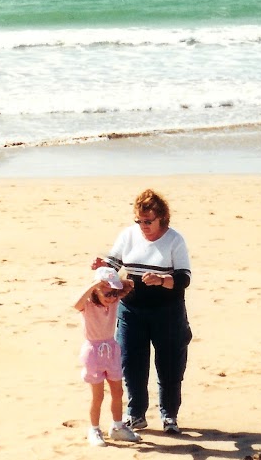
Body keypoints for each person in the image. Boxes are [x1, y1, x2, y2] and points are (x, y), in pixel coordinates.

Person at [92, 188, 192, 435]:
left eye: (148, 221)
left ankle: (169, 415)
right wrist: (103, 266)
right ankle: (136, 415)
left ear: (162, 218)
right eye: (139, 220)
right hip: (131, 310)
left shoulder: (174, 240)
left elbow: (183, 278)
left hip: (167, 312)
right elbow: (114, 265)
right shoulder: (128, 235)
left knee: (169, 366)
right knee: (131, 364)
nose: (143, 226)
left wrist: (161, 280)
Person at [73, 266, 142, 447]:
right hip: (94, 352)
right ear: (96, 290)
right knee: (98, 396)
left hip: (112, 350)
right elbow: (75, 304)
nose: (111, 298)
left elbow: (128, 287)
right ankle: (94, 429)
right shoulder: (87, 305)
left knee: (117, 392)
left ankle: (118, 427)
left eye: (114, 293)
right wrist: (94, 284)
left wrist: (119, 284)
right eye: (107, 293)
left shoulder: (114, 301)